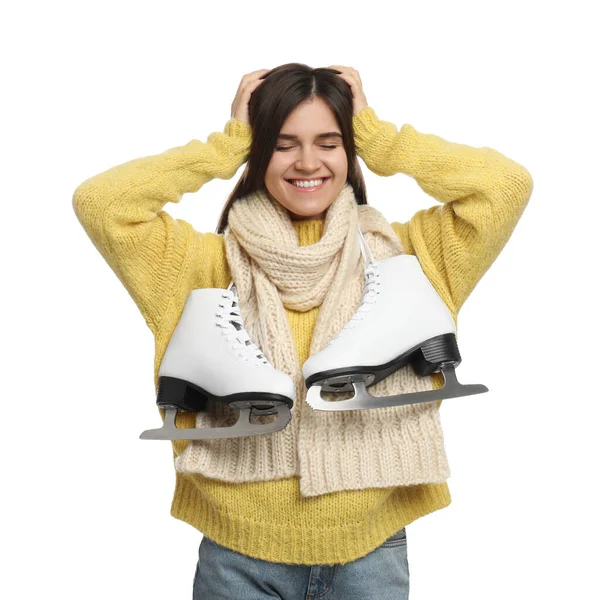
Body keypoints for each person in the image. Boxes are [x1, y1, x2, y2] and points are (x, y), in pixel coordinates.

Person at [72, 63, 533, 599]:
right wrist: (227, 146)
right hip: (237, 560)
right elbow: (102, 204)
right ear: (258, 149)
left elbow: (505, 187)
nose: (308, 162)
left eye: (329, 142)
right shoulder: (197, 265)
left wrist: (380, 138)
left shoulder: (412, 258)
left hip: (372, 559)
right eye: (283, 144)